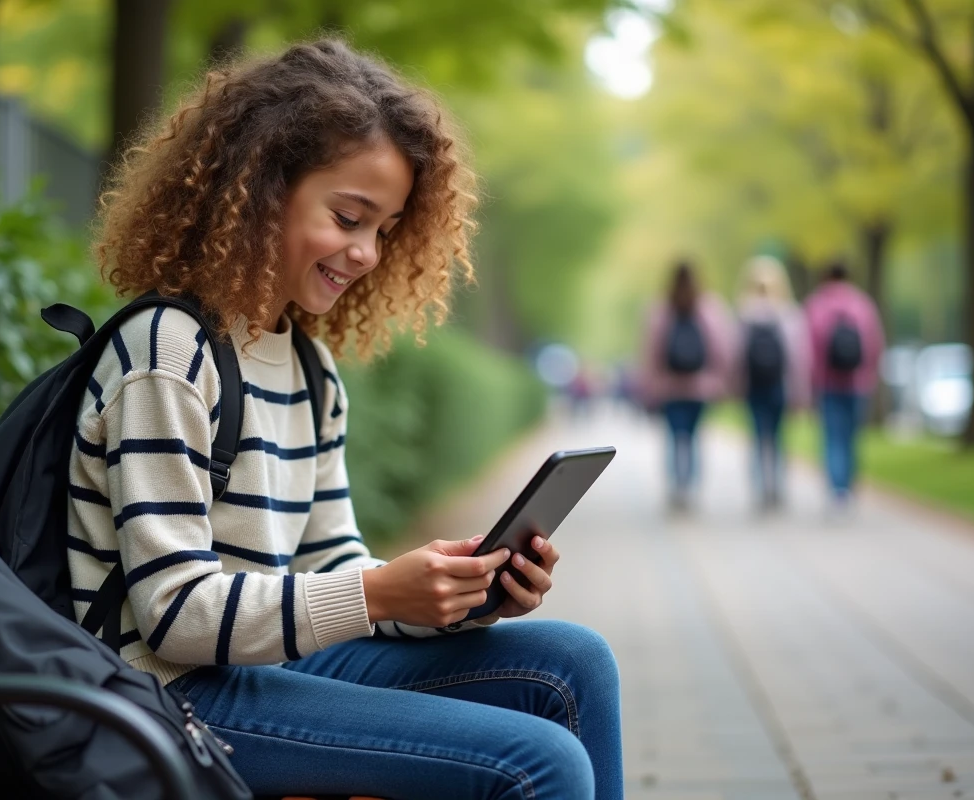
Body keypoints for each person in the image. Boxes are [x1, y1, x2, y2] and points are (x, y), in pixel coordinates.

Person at [71, 40, 622, 799]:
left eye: (385, 229)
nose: (365, 252)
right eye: (348, 217)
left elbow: (331, 568)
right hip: (164, 698)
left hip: (263, 669)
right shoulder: (166, 350)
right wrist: (377, 594)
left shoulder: (308, 368)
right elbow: (175, 617)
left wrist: (455, 597)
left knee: (576, 663)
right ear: (262, 189)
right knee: (541, 761)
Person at [639, 260, 736, 510]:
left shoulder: (661, 308)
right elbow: (721, 346)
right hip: (700, 386)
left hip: (669, 387)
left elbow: (651, 350)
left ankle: (677, 486)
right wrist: (722, 380)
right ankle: (690, 485)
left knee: (674, 437)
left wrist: (649, 384)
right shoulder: (708, 306)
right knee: (693, 437)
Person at [803, 259, 885, 507]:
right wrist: (869, 374)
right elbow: (875, 344)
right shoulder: (862, 304)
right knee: (851, 438)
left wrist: (812, 381)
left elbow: (808, 350)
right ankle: (848, 487)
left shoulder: (816, 305)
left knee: (832, 438)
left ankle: (837, 490)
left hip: (827, 383)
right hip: (857, 383)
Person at [734, 256, 812, 510]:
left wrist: (734, 386)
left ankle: (760, 489)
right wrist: (801, 391)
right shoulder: (788, 313)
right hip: (779, 385)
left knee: (758, 437)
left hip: (754, 387)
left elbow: (734, 354)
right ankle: (776, 487)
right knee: (778, 438)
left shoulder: (744, 314)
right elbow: (799, 357)